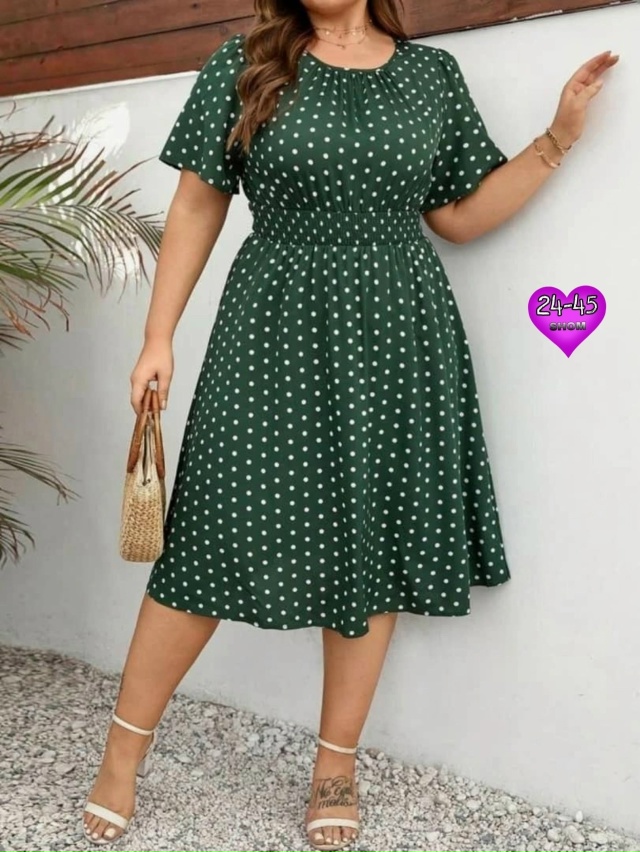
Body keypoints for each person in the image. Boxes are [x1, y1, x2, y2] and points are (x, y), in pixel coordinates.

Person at [81, 1, 617, 849]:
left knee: (370, 540)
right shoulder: (246, 62)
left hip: (398, 334)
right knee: (214, 532)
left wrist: (558, 138)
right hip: (273, 322)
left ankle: (335, 767)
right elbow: (196, 204)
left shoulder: (430, 75)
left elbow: (458, 215)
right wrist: (158, 336)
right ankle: (122, 751)